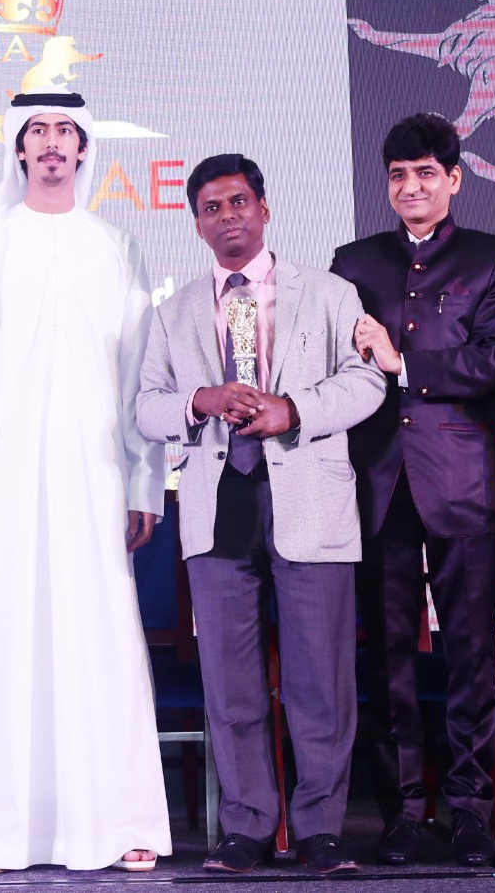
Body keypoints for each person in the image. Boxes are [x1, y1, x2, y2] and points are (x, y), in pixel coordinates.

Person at [0, 91, 171, 873]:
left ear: (84, 147)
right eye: (38, 130)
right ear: (19, 147)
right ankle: (5, 834)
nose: (53, 143)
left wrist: (143, 484)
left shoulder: (116, 244)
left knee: (103, 634)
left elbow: (138, 375)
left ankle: (119, 822)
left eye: (67, 130)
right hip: (6, 472)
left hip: (97, 473)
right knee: (12, 637)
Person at [136, 154, 385, 875]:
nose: (228, 217)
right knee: (230, 681)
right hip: (218, 504)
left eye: (239, 202)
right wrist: (199, 401)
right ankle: (246, 827)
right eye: (211, 208)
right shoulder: (173, 311)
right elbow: (147, 408)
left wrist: (293, 409)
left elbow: (369, 381)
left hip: (310, 497)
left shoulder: (331, 293)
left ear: (265, 208)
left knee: (320, 680)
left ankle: (320, 831)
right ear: (196, 224)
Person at [330, 113, 495, 867]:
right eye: (398, 176)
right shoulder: (353, 262)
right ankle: (404, 813)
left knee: (471, 652)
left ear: (454, 179)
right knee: (388, 658)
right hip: (376, 481)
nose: (411, 187)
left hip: (461, 483)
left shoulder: (494, 256)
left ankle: (472, 810)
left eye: (425, 174)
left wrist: (402, 364)